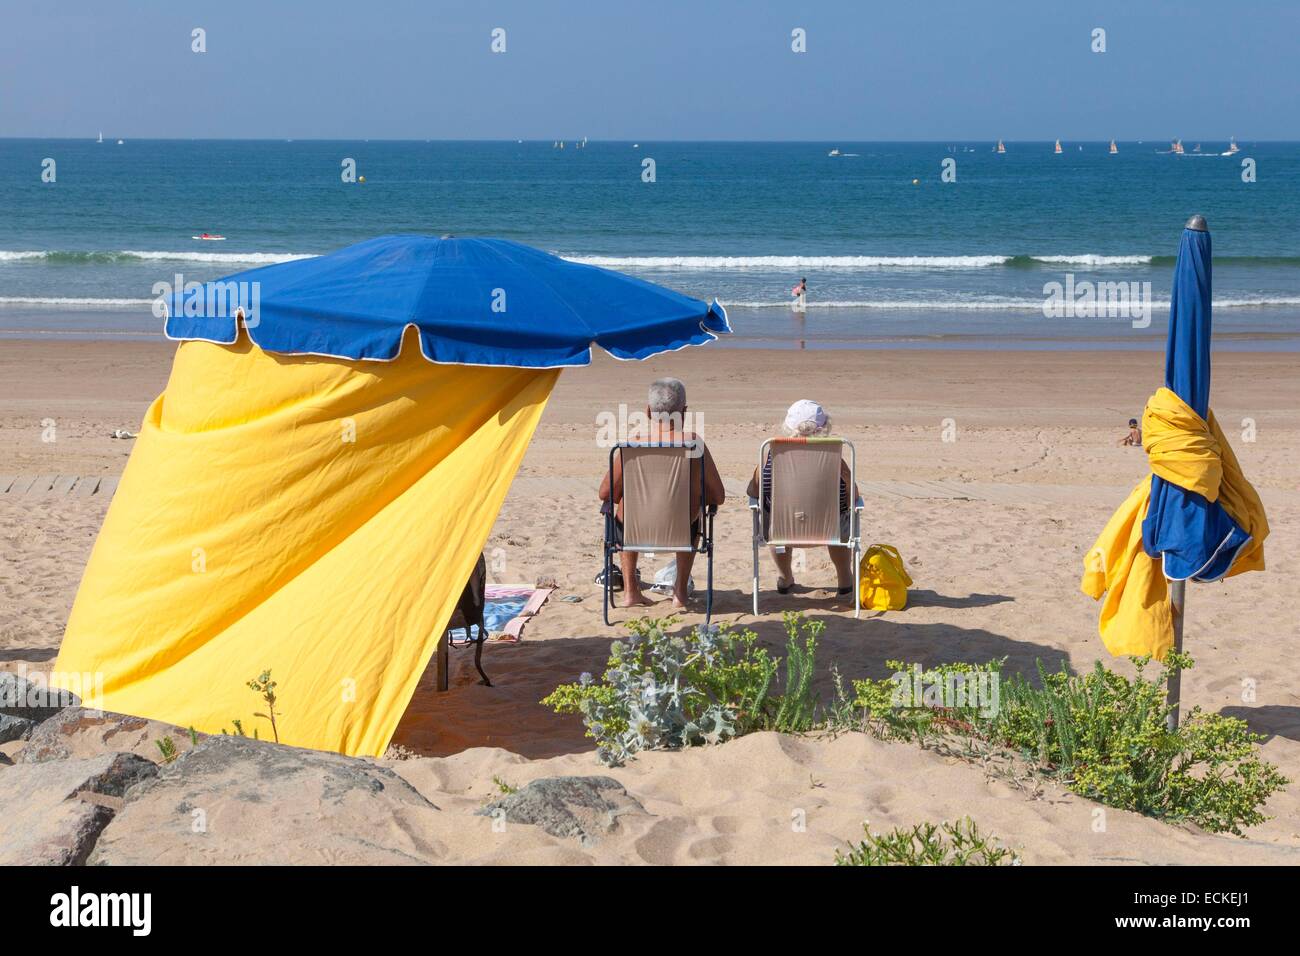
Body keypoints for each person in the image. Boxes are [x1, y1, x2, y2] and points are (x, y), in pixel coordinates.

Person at [599, 378, 725, 609]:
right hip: (682, 532)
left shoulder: (632, 445)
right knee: (693, 506)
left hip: (632, 531)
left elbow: (605, 493)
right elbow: (718, 496)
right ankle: (680, 594)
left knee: (626, 505)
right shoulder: (693, 444)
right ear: (684, 412)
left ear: (648, 411)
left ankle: (630, 592)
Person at [746, 399, 858, 595]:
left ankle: (785, 576)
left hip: (781, 531)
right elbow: (854, 496)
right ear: (825, 427)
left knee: (772, 511)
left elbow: (753, 492)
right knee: (841, 513)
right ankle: (845, 579)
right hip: (829, 531)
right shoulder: (834, 458)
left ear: (788, 426)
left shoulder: (771, 455)